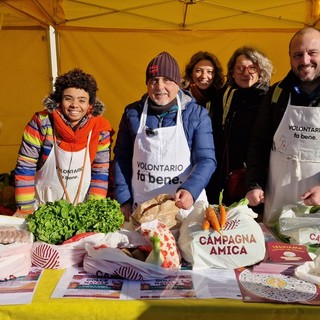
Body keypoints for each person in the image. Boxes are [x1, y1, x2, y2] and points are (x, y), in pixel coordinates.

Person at [113, 51, 216, 221]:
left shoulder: (196, 114)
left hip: (184, 210)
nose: (160, 87)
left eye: (167, 80)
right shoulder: (133, 113)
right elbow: (121, 158)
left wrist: (191, 189)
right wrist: (124, 199)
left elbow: (206, 160)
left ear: (178, 83)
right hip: (143, 210)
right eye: (154, 80)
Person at [245, 27, 320, 227]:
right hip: (279, 189)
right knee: (278, 248)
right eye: (298, 55)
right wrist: (254, 184)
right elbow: (258, 142)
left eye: (313, 53)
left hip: (317, 194)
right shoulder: (276, 94)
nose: (305, 61)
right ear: (290, 57)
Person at [14, 68, 113, 216]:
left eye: (82, 100)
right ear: (59, 100)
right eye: (68, 98)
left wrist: (94, 210)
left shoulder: (101, 129)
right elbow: (25, 165)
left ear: (90, 105)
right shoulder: (41, 123)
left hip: (81, 210)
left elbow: (101, 170)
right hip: (40, 209)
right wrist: (25, 208)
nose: (74, 105)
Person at [212, 46, 273, 206]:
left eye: (252, 68)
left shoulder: (269, 99)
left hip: (260, 180)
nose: (246, 73)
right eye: (240, 68)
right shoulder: (225, 97)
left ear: (261, 71)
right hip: (227, 176)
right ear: (232, 72)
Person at [181, 51, 224, 117]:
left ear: (215, 75)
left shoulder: (221, 98)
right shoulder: (181, 95)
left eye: (209, 72)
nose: (204, 76)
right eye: (199, 71)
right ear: (191, 73)